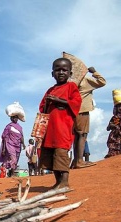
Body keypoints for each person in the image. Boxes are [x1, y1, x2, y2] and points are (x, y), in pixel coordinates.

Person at [38, 57, 82, 189]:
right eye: (57, 70)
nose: (61, 72)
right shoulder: (50, 90)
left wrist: (60, 101)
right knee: (51, 154)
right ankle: (58, 181)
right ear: (52, 73)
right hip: (49, 129)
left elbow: (76, 102)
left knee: (61, 152)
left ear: (70, 73)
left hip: (62, 127)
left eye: (64, 70)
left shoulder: (71, 86)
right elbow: (42, 108)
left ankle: (64, 181)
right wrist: (48, 102)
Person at [71, 67, 106, 169]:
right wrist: (94, 72)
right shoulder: (85, 80)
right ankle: (80, 161)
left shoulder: (71, 81)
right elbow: (102, 82)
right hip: (82, 110)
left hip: (73, 111)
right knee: (82, 135)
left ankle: (76, 160)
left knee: (76, 136)